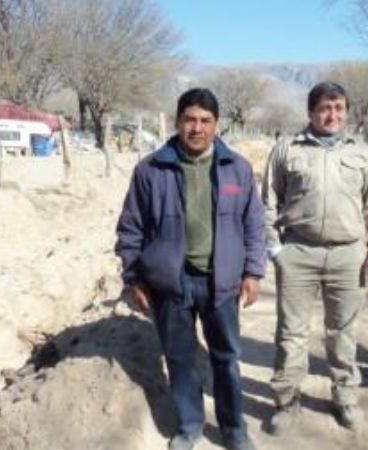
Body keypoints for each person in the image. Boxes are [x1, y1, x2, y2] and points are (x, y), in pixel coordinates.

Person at [115, 88, 265, 450]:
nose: (196, 128)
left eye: (205, 121)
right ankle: (190, 427)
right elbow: (131, 227)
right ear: (178, 121)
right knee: (180, 360)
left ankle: (234, 430)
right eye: (189, 119)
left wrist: (253, 272)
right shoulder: (150, 169)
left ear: (217, 125)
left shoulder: (238, 169)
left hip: (222, 282)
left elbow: (254, 225)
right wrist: (134, 277)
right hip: (171, 283)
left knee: (226, 359)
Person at [261, 81, 368, 433]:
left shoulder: (362, 153)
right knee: (291, 332)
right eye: (324, 108)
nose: (332, 115)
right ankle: (287, 401)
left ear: (346, 112)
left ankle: (345, 397)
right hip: (298, 252)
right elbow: (267, 201)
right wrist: (275, 248)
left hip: (349, 255)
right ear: (311, 112)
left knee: (343, 332)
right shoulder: (287, 148)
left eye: (338, 108)